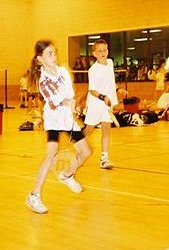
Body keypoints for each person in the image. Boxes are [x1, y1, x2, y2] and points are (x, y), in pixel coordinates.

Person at [26, 40, 91, 214]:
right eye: (49, 53)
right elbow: (57, 101)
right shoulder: (43, 80)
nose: (54, 56)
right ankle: (34, 195)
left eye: (54, 52)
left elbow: (70, 94)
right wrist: (70, 103)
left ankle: (66, 174)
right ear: (40, 58)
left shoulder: (63, 71)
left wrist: (75, 106)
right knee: (51, 155)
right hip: (54, 119)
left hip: (67, 118)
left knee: (86, 152)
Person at [83, 39, 127, 169]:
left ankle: (104, 159)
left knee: (106, 130)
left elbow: (110, 81)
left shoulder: (110, 63)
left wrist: (118, 90)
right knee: (88, 131)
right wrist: (103, 97)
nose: (103, 53)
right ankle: (75, 145)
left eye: (105, 50)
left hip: (107, 104)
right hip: (96, 103)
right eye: (100, 51)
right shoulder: (93, 70)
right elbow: (92, 90)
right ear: (94, 53)